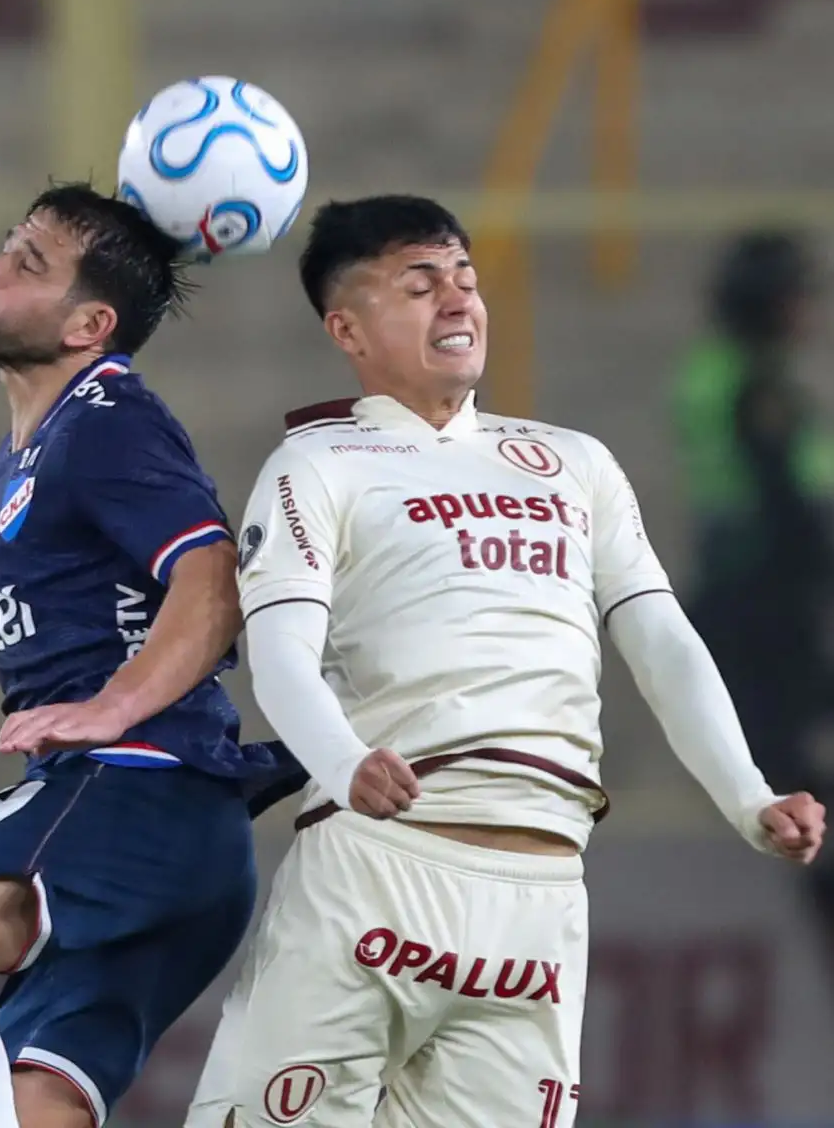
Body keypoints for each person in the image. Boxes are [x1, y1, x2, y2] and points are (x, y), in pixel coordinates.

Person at [183, 195, 827, 1128]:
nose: (457, 301)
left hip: (541, 898)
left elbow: (660, 638)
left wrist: (748, 795)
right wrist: (343, 760)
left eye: (466, 278)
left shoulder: (573, 463)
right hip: (383, 865)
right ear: (347, 328)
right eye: (420, 283)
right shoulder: (318, 464)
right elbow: (280, 651)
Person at [0, 183, 303, 1128]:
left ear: (91, 323)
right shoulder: (34, 446)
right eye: (4, 247)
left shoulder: (105, 418)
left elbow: (210, 579)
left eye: (26, 264)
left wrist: (116, 706)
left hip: (139, 792)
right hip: (181, 845)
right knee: (28, 1110)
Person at [674, 230, 834, 963]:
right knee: (804, 795)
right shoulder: (756, 387)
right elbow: (790, 507)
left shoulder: (713, 374)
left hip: (743, 606)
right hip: (766, 614)